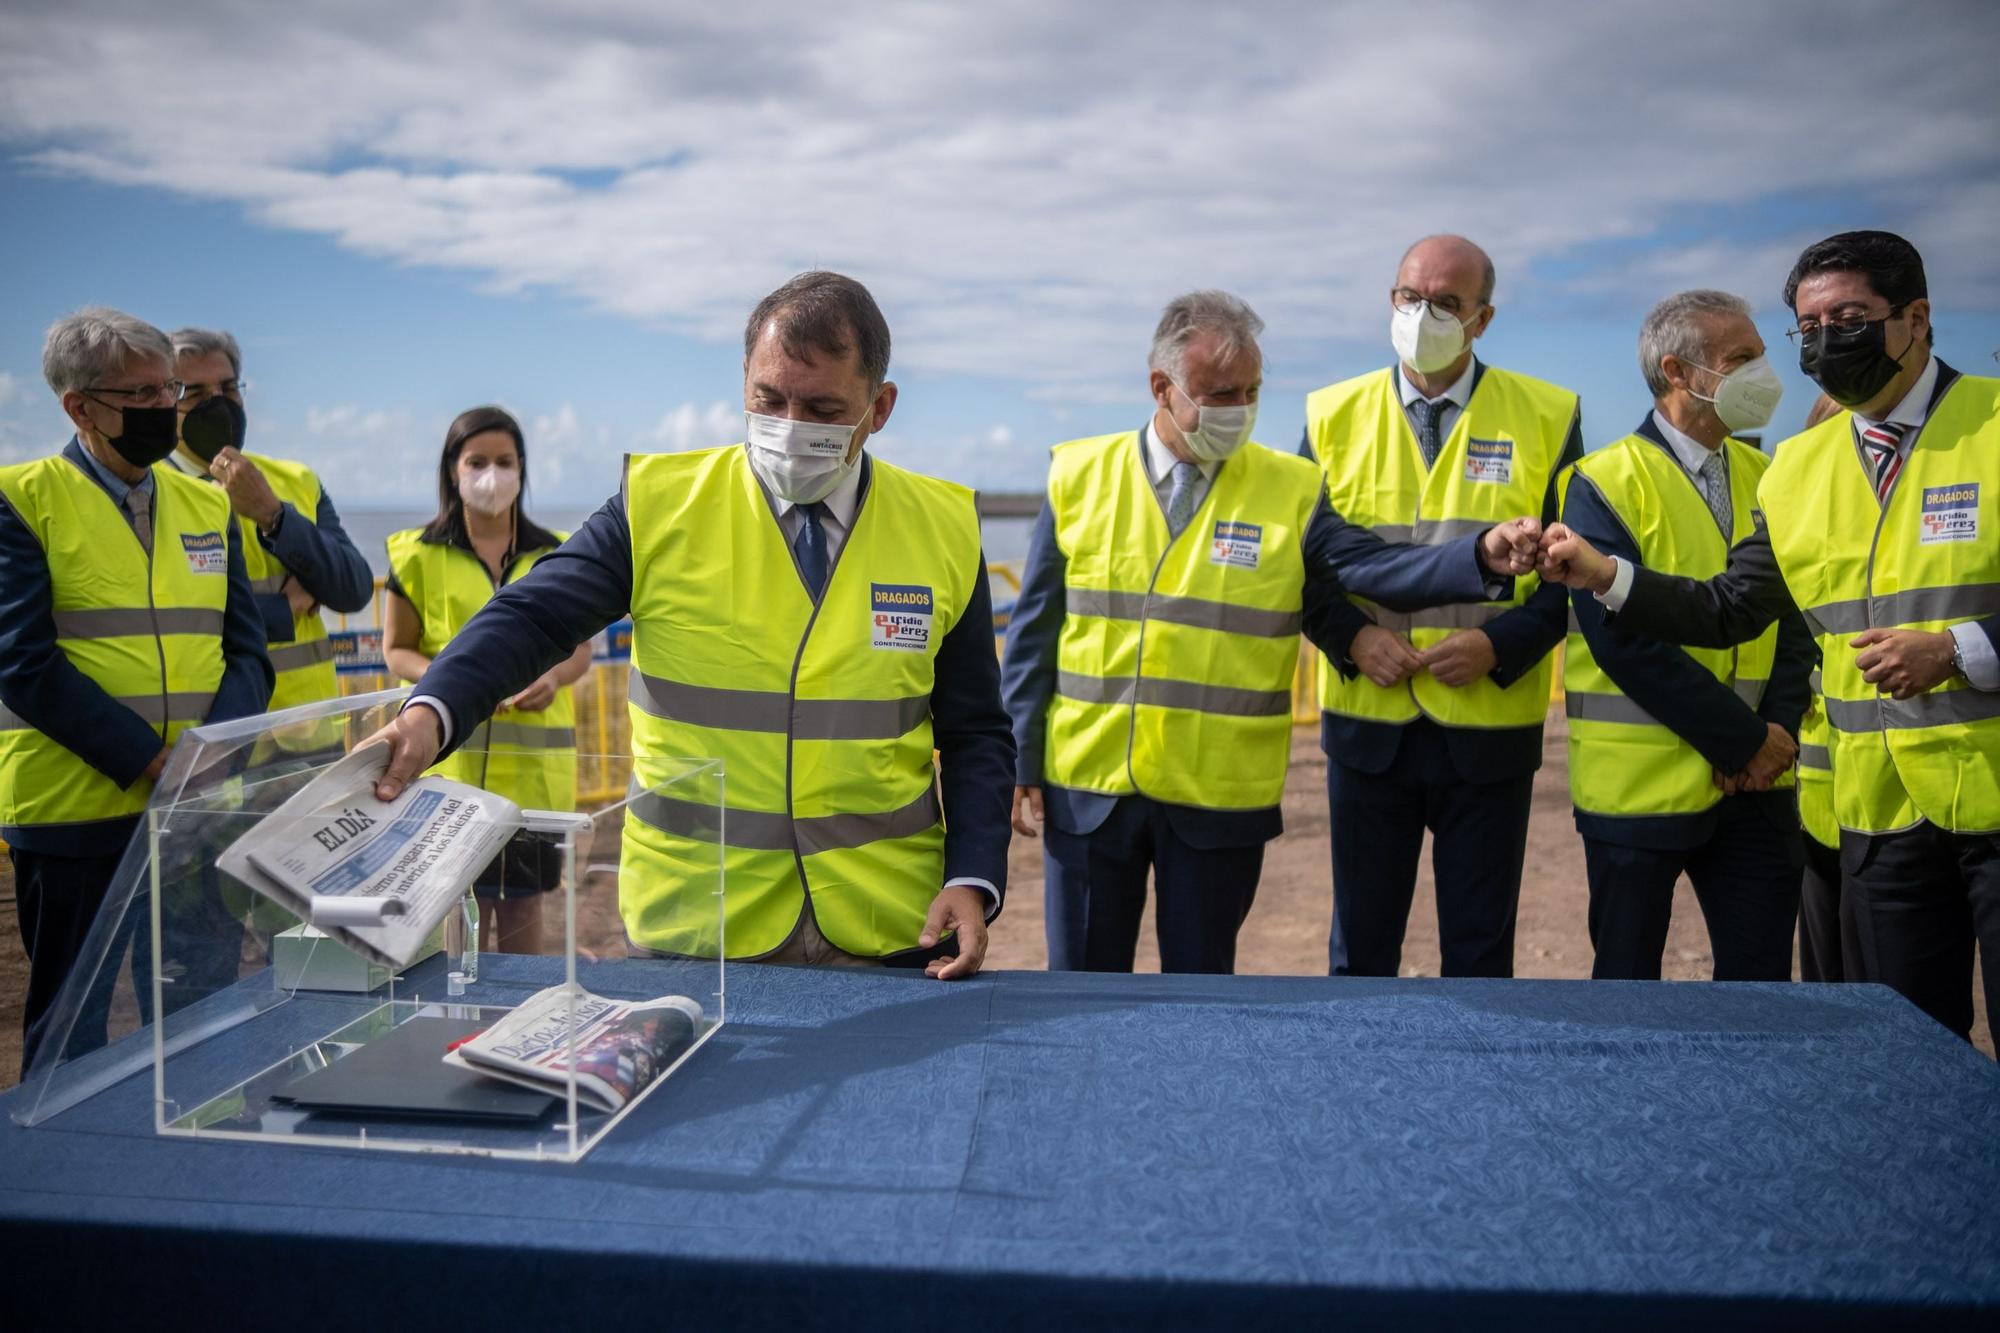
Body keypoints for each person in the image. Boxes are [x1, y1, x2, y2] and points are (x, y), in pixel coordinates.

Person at [364, 272, 1015, 978]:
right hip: (698, 928)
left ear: (879, 407)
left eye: (823, 407)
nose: (789, 426)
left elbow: (975, 728)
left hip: (891, 924)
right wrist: (433, 707)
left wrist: (975, 874)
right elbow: (532, 613)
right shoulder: (658, 507)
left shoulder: (943, 528)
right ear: (742, 381)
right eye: (769, 399)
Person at [1539, 231, 2000, 1041]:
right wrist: (1603, 575)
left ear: (1918, 317)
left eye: (1848, 317)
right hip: (1880, 818)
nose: (1822, 345)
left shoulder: (1991, 423)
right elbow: (1729, 608)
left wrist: (1961, 650)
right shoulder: (1799, 466)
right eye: (1808, 328)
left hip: (1992, 800)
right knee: (1914, 1054)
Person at [1002, 291, 1543, 974]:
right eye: (1219, 393)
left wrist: (1478, 555)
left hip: (1217, 794)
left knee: (1201, 1002)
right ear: (1161, 388)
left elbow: (1374, 564)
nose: (1240, 410)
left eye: (1252, 391)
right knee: (1077, 993)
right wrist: (1020, 758)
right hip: (1087, 788)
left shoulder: (1291, 488)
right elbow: (1032, 633)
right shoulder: (1078, 474)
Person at [1300, 234, 1583, 980]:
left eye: (1447, 303)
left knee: (1481, 950)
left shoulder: (1548, 414)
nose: (1423, 314)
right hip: (1368, 720)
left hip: (1488, 725)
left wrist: (1501, 647)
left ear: (1482, 318)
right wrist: (1354, 639)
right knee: (1360, 951)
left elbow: (1571, 576)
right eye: (1409, 297)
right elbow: (1300, 568)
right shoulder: (1330, 414)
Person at [0, 308, 271, 1072]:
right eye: (141, 395)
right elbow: (23, 661)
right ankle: (63, 1186)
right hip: (73, 818)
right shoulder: (21, 499)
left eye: (169, 391)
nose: (163, 410)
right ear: (79, 407)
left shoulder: (207, 502)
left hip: (195, 813)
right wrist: (151, 759)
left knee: (197, 1016)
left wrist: (214, 749)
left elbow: (245, 652)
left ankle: (193, 1171)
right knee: (72, 1035)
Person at [1556, 290, 1813, 981]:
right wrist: (1743, 739)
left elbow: (1795, 619)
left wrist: (1777, 733)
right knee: (1628, 993)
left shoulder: (1773, 477)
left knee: (1759, 989)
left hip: (1761, 783)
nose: (1766, 374)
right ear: (1678, 371)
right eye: (1744, 359)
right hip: (1641, 793)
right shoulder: (1599, 481)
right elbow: (1622, 642)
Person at [382, 406, 593, 955]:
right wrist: (456, 686)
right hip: (448, 779)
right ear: (452, 469)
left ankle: (524, 1032)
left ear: (522, 469)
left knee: (525, 922)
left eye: (504, 461)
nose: (491, 475)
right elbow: (396, 649)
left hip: (533, 781)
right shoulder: (416, 555)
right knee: (454, 925)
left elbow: (580, 653)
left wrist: (550, 676)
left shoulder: (558, 553)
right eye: (477, 461)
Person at [166, 327, 373, 742]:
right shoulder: (151, 491)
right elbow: (170, 622)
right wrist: (284, 607)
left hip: (309, 738)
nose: (217, 403)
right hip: (212, 741)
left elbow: (352, 588)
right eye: (195, 393)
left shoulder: (293, 479)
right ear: (164, 404)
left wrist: (272, 514)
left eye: (228, 387)